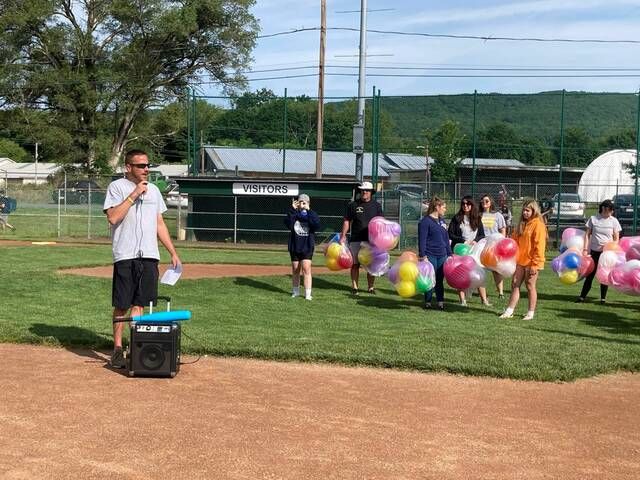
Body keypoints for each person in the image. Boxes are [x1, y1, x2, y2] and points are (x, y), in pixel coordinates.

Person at [103, 149, 181, 368]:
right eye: (141, 166)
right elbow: (113, 217)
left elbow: (159, 223)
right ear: (128, 167)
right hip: (125, 254)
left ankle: (135, 346)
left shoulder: (154, 191)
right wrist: (134, 194)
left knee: (140, 303)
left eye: (148, 165)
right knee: (122, 304)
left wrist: (172, 252)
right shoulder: (116, 187)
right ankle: (117, 348)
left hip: (149, 255)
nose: (146, 169)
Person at [500, 199, 546, 320]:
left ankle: (530, 312)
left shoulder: (538, 225)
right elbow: (514, 241)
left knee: (530, 285)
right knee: (515, 284)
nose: (525, 213)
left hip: (532, 262)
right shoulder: (521, 224)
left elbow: (539, 246)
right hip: (520, 261)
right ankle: (509, 310)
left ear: (534, 211)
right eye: (524, 210)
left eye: (528, 210)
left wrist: (535, 264)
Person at [340, 181, 383, 295]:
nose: (364, 192)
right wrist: (343, 235)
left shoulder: (377, 206)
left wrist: (380, 239)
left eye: (367, 190)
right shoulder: (353, 205)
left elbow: (381, 223)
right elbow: (347, 221)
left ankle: (371, 287)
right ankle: (355, 287)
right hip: (356, 239)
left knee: (371, 265)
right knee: (355, 264)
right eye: (363, 190)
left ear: (371, 192)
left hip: (371, 241)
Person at [576, 199, 621, 304]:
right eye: (607, 209)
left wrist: (611, 247)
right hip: (594, 252)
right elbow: (587, 235)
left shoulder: (614, 221)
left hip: (607, 254)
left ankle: (603, 299)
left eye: (610, 210)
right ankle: (582, 297)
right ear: (603, 208)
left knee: (604, 275)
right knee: (590, 275)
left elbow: (616, 238)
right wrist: (585, 249)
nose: (609, 211)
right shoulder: (593, 219)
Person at [448, 196, 490, 307]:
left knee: (478, 274)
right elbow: (450, 234)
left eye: (468, 204)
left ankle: (484, 300)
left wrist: (475, 241)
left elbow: (482, 235)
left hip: (474, 252)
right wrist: (463, 241)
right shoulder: (456, 219)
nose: (465, 206)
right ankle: (462, 300)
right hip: (460, 251)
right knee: (460, 275)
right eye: (463, 204)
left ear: (472, 205)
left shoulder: (477, 218)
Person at [285, 193, 320, 301]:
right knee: (296, 269)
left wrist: (308, 210)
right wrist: (292, 210)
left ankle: (308, 294)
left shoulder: (312, 214)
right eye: (300, 202)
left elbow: (316, 225)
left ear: (308, 203)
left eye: (305, 202)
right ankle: (295, 292)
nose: (302, 204)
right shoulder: (294, 213)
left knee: (306, 268)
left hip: (307, 246)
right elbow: (288, 224)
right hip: (295, 245)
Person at [418, 196, 452, 310]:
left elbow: (446, 239)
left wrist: (449, 254)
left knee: (439, 279)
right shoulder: (425, 222)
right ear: (437, 207)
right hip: (430, 255)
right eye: (444, 207)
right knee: (430, 279)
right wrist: (423, 256)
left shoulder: (442, 221)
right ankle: (427, 302)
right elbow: (422, 240)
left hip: (442, 255)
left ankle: (440, 301)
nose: (445, 209)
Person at [480, 194, 507, 298]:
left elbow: (502, 229)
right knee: (480, 269)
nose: (484, 203)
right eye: (482, 201)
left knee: (496, 270)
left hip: (495, 245)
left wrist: (502, 241)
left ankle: (500, 292)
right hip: (482, 245)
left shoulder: (497, 215)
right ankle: (482, 294)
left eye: (486, 201)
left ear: (491, 202)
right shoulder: (479, 215)